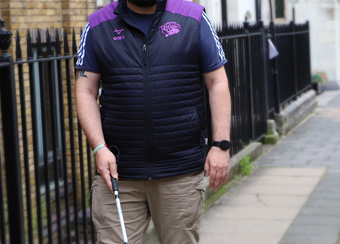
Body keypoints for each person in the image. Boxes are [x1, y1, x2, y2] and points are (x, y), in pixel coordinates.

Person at [75, 0, 231, 243]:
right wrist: (99, 147)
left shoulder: (193, 18)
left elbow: (217, 82)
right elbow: (85, 90)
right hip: (118, 174)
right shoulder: (98, 25)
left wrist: (221, 145)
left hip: (180, 172)